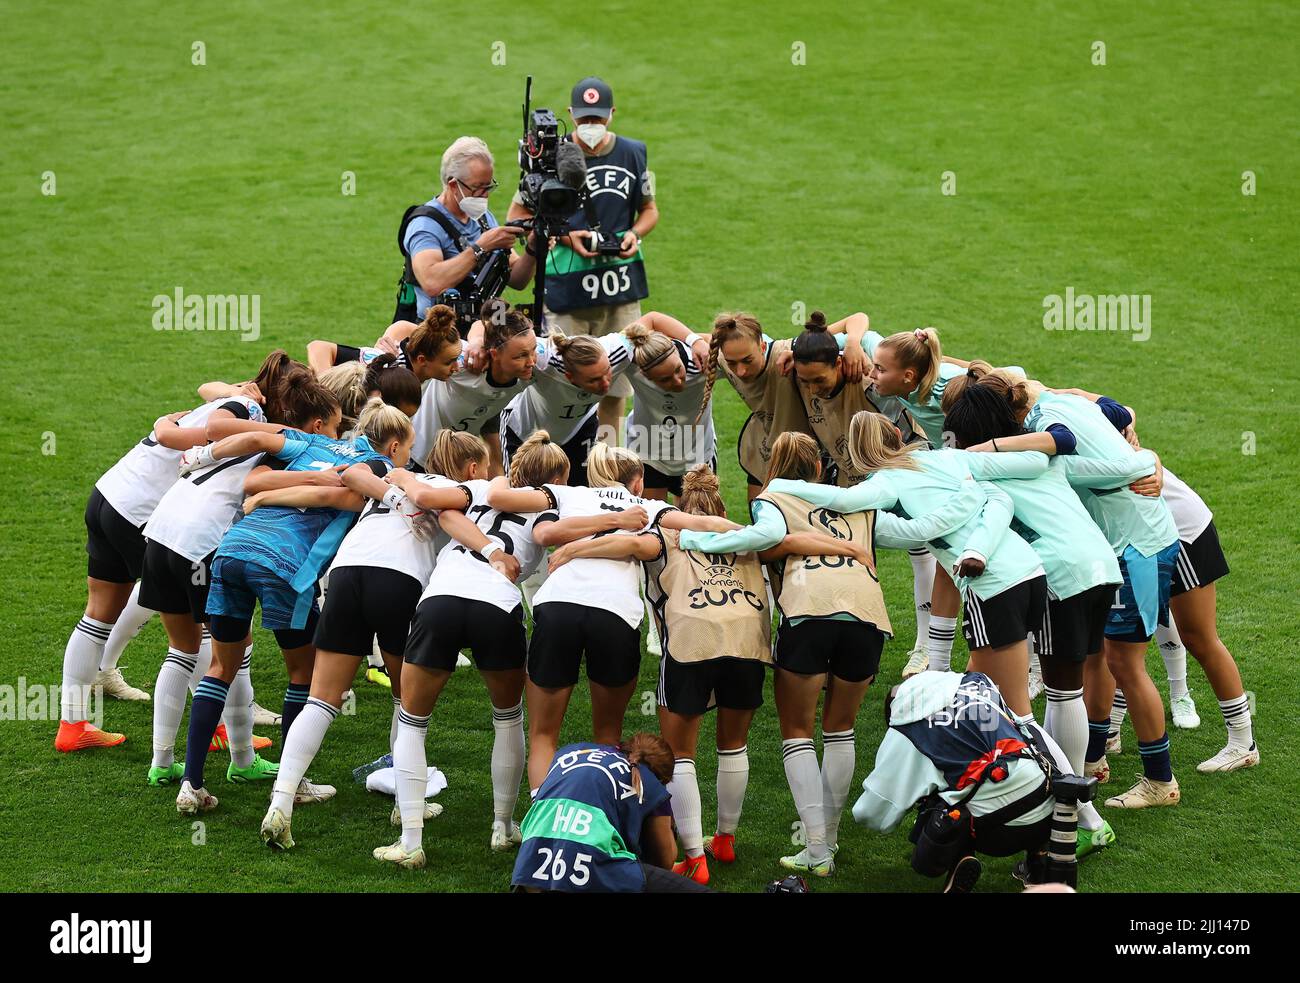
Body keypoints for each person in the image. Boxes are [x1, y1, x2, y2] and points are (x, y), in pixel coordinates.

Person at [258, 423, 500, 852]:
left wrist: (389, 493)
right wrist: (492, 552)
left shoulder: (392, 474)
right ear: (472, 465)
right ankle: (407, 810)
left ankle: (281, 802)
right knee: (409, 706)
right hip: (400, 582)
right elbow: (447, 518)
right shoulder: (456, 491)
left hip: (347, 574)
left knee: (322, 699)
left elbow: (347, 476)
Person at [377, 431, 612, 866]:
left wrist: (405, 479)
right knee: (508, 718)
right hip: (498, 606)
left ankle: (411, 841)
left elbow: (437, 503)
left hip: (442, 599)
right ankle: (502, 827)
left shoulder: (485, 488)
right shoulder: (554, 501)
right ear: (557, 477)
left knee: (413, 721)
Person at [171, 399, 411, 815]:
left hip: (233, 549)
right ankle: (292, 783)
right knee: (305, 673)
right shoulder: (378, 469)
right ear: (392, 447)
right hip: (285, 563)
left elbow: (254, 478)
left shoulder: (306, 441)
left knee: (220, 667)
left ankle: (191, 783)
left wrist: (267, 495)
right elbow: (341, 500)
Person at [673, 437, 895, 879]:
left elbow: (770, 537)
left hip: (809, 612)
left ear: (773, 465)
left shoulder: (772, 497)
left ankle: (816, 847)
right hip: (867, 613)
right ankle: (827, 839)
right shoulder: (863, 503)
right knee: (841, 729)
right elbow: (908, 533)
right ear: (818, 465)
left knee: (797, 731)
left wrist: (694, 537)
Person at [966, 374, 1183, 810]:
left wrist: (1146, 461)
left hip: (1138, 548)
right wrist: (1141, 451)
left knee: (1127, 663)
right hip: (1127, 543)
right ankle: (1093, 758)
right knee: (1100, 655)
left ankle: (1161, 780)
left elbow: (1105, 462)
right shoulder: (1063, 401)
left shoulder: (1049, 425)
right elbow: (1121, 413)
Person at [485, 442, 736, 791]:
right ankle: (605, 817)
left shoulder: (567, 494)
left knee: (544, 734)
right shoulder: (648, 506)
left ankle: (540, 825)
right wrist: (770, 534)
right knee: (608, 734)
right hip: (615, 614)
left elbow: (502, 500)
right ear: (638, 482)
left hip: (558, 605)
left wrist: (496, 476)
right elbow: (705, 523)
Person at [139, 381, 339, 785]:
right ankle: (243, 758)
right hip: (203, 541)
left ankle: (163, 762)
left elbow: (212, 413)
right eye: (335, 427)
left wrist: (199, 449)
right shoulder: (290, 446)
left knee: (182, 648)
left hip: (161, 531)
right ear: (317, 425)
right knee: (231, 654)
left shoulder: (252, 428)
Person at [54, 387, 268, 753]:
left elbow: (206, 390)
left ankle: (73, 724)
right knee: (194, 627)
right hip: (141, 514)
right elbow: (190, 435)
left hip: (109, 493)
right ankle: (219, 727)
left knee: (99, 611)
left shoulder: (231, 399)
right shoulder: (247, 417)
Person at [508, 75, 659, 443]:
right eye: (584, 119)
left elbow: (650, 210)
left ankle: (605, 460)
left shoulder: (634, 152)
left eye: (598, 118)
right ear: (571, 114)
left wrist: (633, 235)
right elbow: (517, 214)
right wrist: (564, 236)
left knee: (614, 385)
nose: (591, 126)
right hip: (565, 289)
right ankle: (553, 454)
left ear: (612, 113)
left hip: (619, 288)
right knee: (561, 381)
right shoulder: (546, 156)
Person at [855, 671, 1069, 893]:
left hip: (997, 832)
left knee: (943, 792)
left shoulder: (908, 726)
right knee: (1012, 765)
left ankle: (959, 856)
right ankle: (1040, 863)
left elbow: (874, 812)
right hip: (1050, 804)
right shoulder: (979, 683)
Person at [511, 735, 710, 893]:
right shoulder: (647, 782)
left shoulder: (569, 752)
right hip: (590, 870)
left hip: (529, 870)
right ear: (662, 778)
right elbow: (664, 860)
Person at [395, 136, 537, 325]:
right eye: (478, 188)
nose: (485, 195)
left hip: (482, 329)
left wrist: (533, 248)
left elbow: (518, 280)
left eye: (489, 186)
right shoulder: (425, 225)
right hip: (440, 336)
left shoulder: (483, 218)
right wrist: (481, 247)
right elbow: (432, 283)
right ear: (453, 185)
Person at [410, 302, 544, 471]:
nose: (531, 361)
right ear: (495, 354)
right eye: (521, 356)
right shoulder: (462, 362)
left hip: (459, 465)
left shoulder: (539, 366)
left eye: (533, 350)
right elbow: (409, 332)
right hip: (418, 455)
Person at [620, 315, 716, 500]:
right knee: (654, 523)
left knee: (699, 524)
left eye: (678, 369)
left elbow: (747, 340)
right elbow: (649, 321)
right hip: (647, 452)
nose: (678, 381)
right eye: (664, 380)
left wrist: (695, 340)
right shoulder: (631, 362)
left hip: (696, 455)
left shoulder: (701, 362)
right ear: (644, 374)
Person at [307, 303, 465, 384]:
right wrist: (328, 389)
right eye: (449, 362)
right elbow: (317, 347)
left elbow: (402, 327)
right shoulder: (383, 367)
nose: (456, 367)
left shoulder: (415, 356)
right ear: (422, 360)